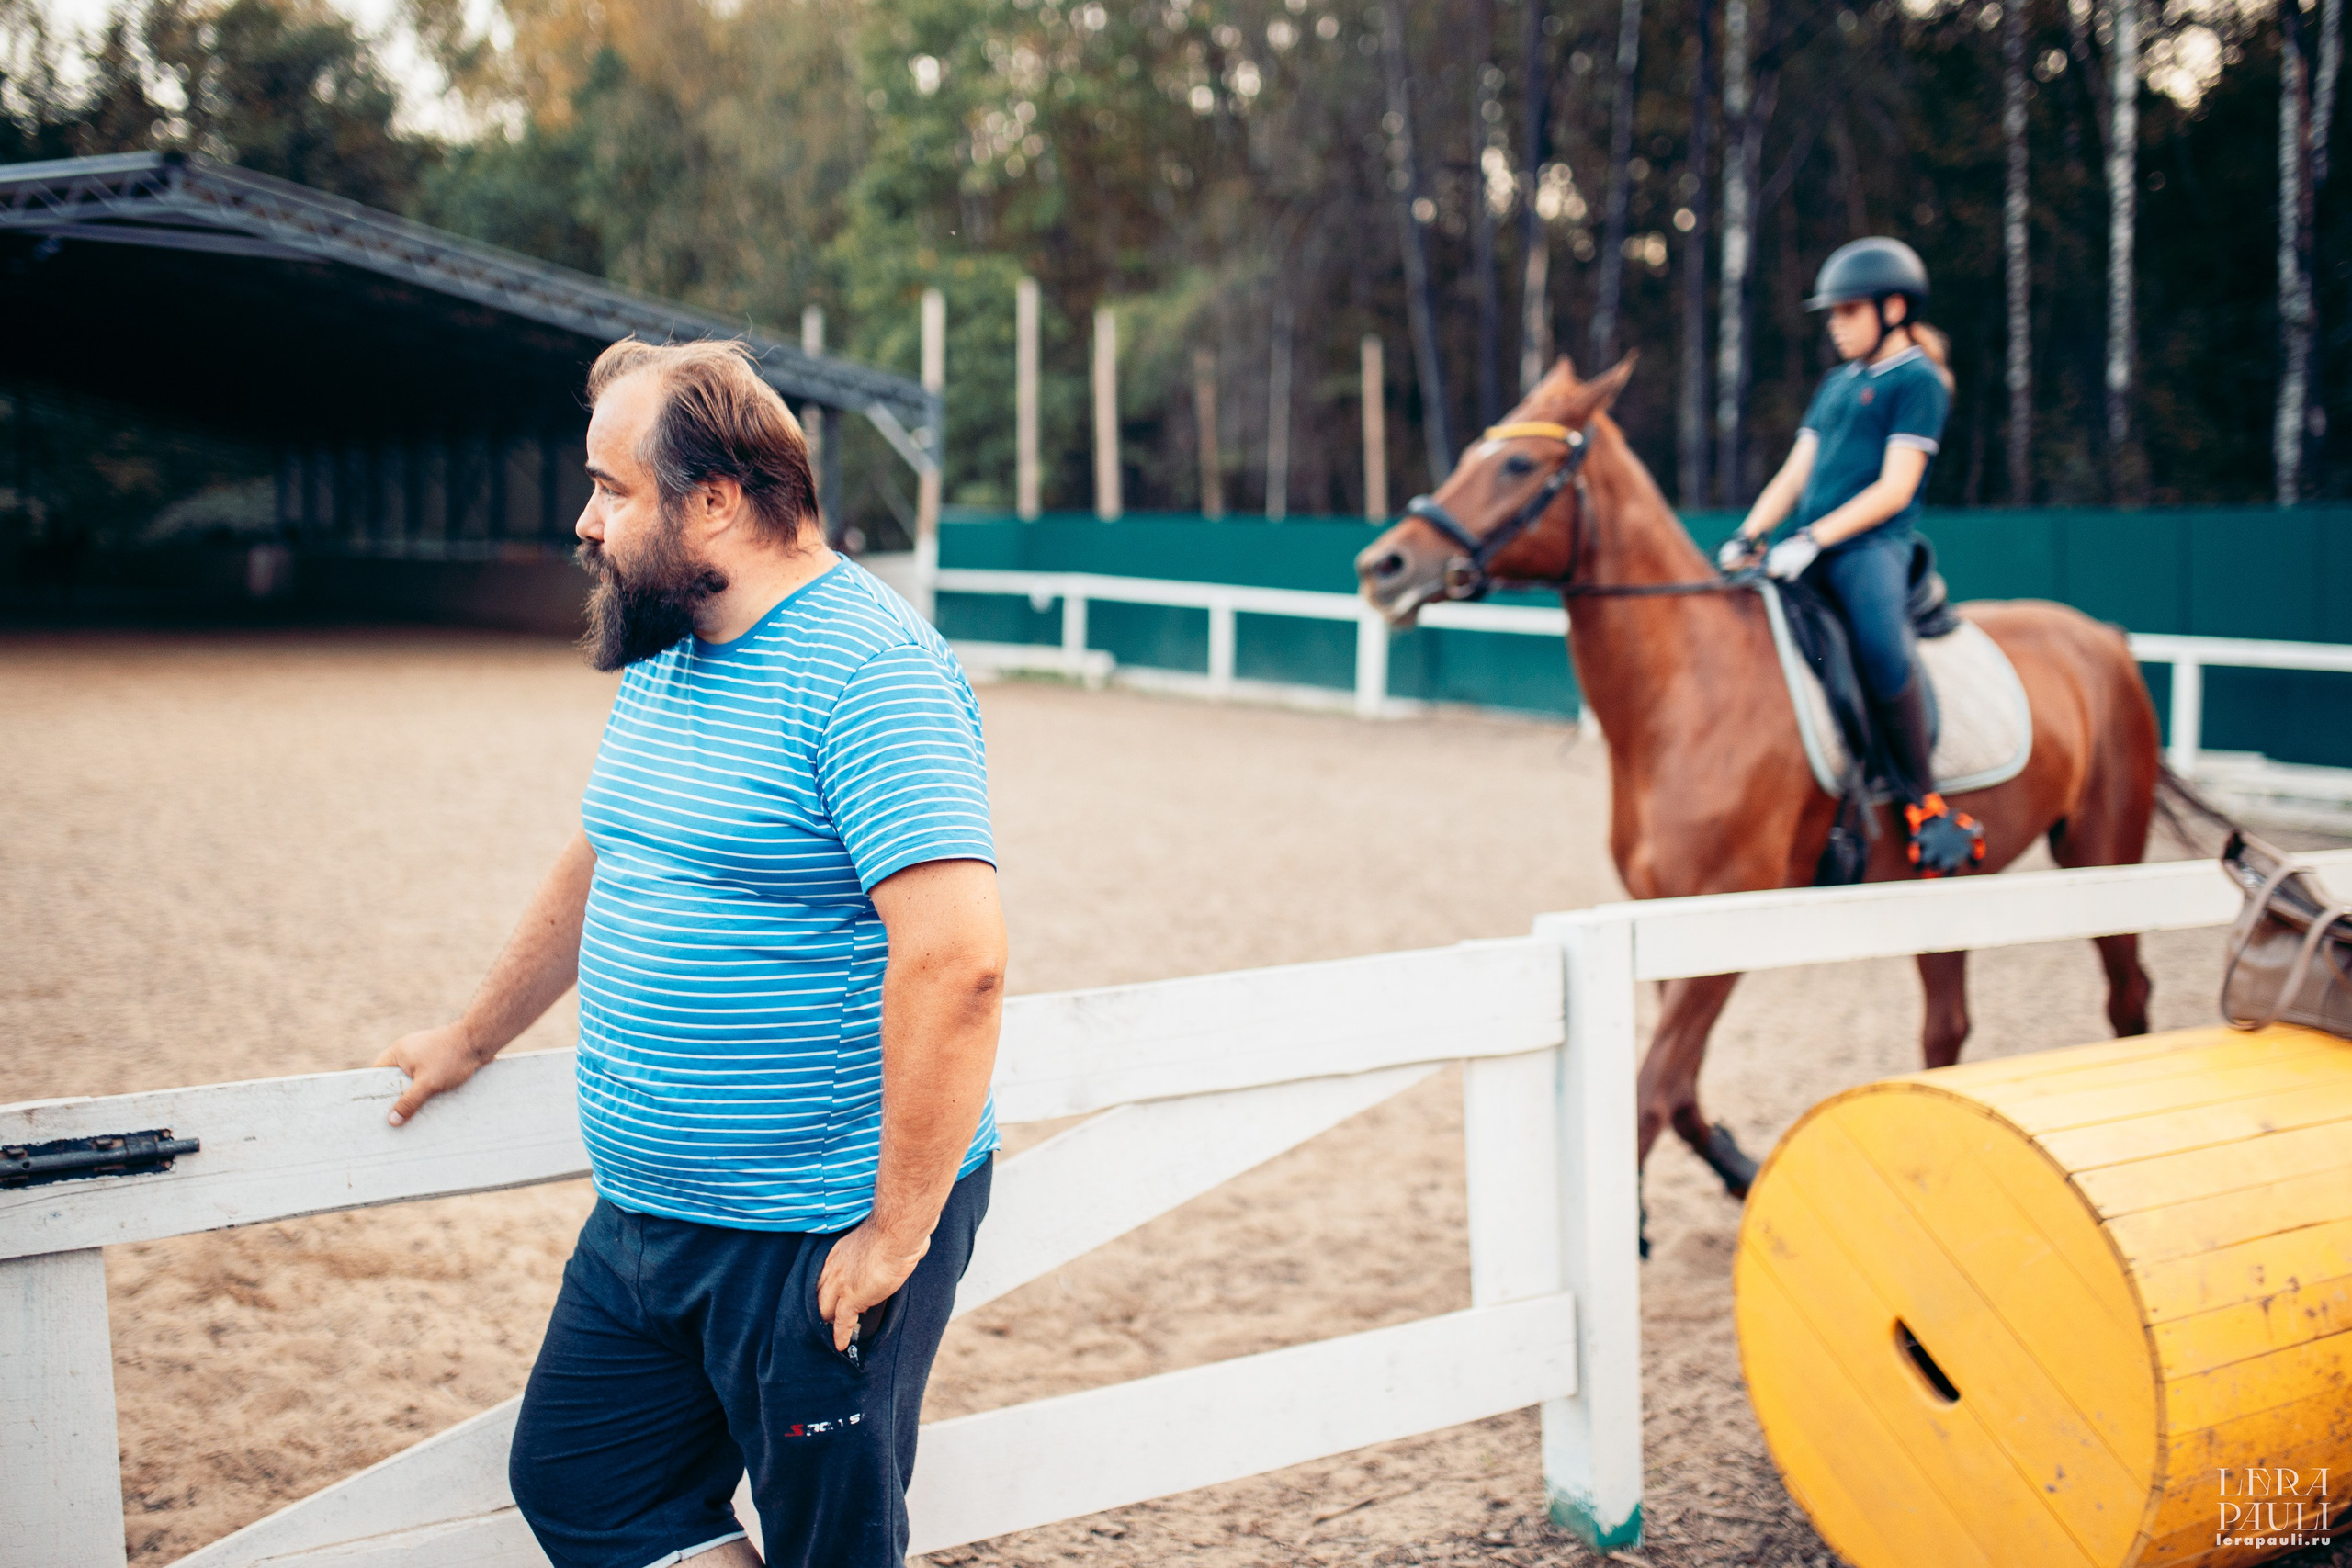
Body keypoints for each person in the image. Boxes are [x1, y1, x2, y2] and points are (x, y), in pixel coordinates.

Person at [373, 338, 1007, 1568]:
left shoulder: (871, 674)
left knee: (830, 1544)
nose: (584, 520)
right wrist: (472, 1035)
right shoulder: (672, 645)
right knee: (582, 1481)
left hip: (811, 1226)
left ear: (714, 500)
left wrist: (895, 1232)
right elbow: (603, 849)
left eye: (611, 489)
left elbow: (959, 961)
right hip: (648, 1218)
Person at [1717, 236, 1984, 876]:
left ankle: (1925, 805)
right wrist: (1751, 534)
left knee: (1880, 647)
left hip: (1872, 548)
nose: (1835, 326)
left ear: (1894, 308)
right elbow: (1795, 472)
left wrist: (1813, 539)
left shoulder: (1919, 381)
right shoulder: (1838, 384)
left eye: (1848, 311)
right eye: (1832, 314)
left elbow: (1895, 487)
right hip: (1806, 547)